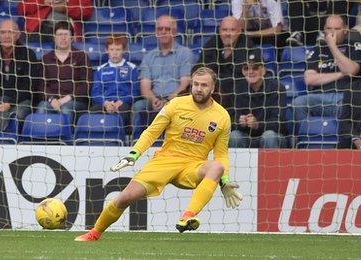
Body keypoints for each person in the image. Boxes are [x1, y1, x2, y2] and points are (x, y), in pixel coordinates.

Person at [75, 67, 242, 241]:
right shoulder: (176, 105)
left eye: (204, 85)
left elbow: (221, 153)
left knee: (217, 166)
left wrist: (225, 181)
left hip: (193, 166)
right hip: (165, 161)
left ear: (213, 88)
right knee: (124, 198)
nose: (199, 89)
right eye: (196, 84)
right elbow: (152, 132)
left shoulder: (222, 116)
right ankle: (94, 233)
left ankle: (188, 215)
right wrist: (133, 154)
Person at [292, 15, 361, 134]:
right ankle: (307, 136)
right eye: (329, 28)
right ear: (324, 29)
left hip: (344, 97)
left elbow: (351, 70)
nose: (332, 32)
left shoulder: (354, 46)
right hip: (319, 97)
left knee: (350, 107)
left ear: (345, 29)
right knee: (298, 103)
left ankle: (345, 139)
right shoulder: (317, 49)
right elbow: (309, 79)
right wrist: (341, 74)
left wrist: (332, 46)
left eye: (336, 29)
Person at [132, 15, 193, 129]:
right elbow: (145, 86)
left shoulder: (185, 53)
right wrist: (154, 99)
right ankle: (136, 143)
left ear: (174, 32)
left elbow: (185, 83)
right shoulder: (149, 56)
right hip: (154, 100)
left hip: (177, 100)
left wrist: (168, 101)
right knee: (138, 106)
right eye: (160, 29)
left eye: (167, 29)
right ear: (156, 32)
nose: (163, 32)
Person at [196, 16, 261, 110]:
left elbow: (250, 76)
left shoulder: (249, 48)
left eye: (232, 30)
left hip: (239, 99)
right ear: (219, 30)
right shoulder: (211, 45)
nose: (228, 34)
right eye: (224, 30)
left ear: (239, 31)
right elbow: (198, 68)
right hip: (213, 93)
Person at [37, 21, 91, 122]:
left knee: (65, 109)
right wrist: (51, 99)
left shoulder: (81, 56)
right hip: (51, 100)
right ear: (54, 38)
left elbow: (86, 83)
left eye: (66, 34)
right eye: (59, 35)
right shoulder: (46, 58)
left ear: (72, 37)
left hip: (74, 100)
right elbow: (41, 85)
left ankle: (66, 137)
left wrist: (66, 99)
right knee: (41, 108)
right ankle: (40, 138)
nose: (63, 38)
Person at [229, 54, 287, 148]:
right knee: (234, 136)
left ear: (263, 70)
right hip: (246, 136)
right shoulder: (236, 89)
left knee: (269, 136)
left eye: (255, 68)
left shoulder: (277, 87)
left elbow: (280, 123)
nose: (250, 72)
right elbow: (228, 121)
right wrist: (239, 123)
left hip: (274, 136)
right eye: (246, 68)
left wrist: (257, 125)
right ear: (243, 72)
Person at [90, 34, 139, 132]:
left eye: (118, 49)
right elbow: (95, 93)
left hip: (123, 104)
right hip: (105, 104)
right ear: (106, 50)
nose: (115, 53)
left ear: (124, 50)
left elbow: (135, 92)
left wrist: (121, 101)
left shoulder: (132, 68)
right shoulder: (101, 69)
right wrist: (106, 103)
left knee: (123, 111)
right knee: (91, 113)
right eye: (112, 50)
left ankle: (121, 140)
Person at [18, 0, 93, 43]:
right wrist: (43, 1)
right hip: (38, 29)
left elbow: (86, 12)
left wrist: (65, 8)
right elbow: (22, 8)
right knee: (21, 45)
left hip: (64, 30)